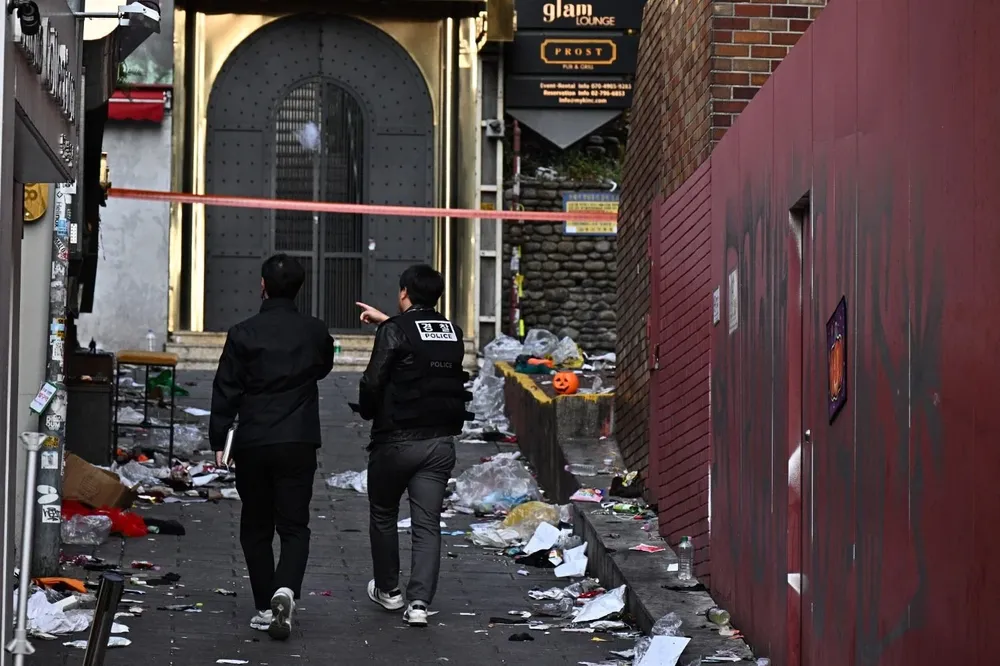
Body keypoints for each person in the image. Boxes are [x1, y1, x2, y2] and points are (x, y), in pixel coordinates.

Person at [209, 254, 334, 640]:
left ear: (263, 285)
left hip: (255, 441)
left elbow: (226, 387)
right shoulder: (315, 332)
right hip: (298, 439)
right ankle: (286, 589)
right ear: (299, 288)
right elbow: (324, 365)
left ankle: (265, 605)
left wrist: (219, 438)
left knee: (256, 526)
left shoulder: (243, 332)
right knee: (295, 525)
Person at [355, 264, 473, 627]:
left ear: (404, 292)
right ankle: (419, 603)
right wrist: (387, 322)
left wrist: (368, 411)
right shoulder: (452, 331)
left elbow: (374, 380)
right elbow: (421, 344)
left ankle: (389, 591)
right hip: (439, 443)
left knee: (384, 513)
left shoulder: (395, 330)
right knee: (427, 524)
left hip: (395, 441)